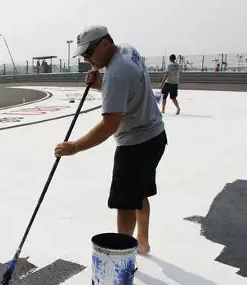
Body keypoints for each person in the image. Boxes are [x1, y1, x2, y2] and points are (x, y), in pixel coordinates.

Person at [54, 25, 166, 255]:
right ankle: (142, 243)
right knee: (139, 193)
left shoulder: (115, 74)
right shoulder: (127, 50)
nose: (86, 59)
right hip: (155, 137)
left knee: (125, 202)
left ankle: (121, 257)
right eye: (84, 55)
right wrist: (101, 83)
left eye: (89, 53)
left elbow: (109, 125)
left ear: (105, 44)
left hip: (135, 145)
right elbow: (128, 82)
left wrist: (74, 147)